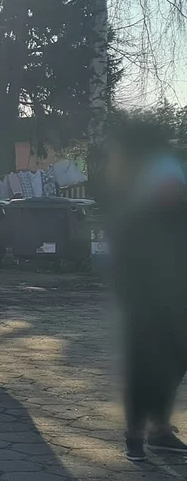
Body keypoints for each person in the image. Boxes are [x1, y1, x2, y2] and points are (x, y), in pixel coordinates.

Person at [106, 120, 187, 461]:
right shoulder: (135, 219)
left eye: (177, 185)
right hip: (144, 305)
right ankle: (136, 435)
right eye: (168, 185)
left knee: (173, 363)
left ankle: (159, 430)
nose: (174, 190)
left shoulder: (179, 216)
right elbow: (122, 264)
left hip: (175, 303)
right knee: (143, 367)